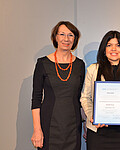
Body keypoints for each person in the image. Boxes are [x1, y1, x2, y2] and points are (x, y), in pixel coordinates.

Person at [80, 31, 120, 150]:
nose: (114, 48)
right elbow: (85, 97)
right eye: (109, 45)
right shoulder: (93, 70)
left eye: (118, 45)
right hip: (98, 130)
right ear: (104, 49)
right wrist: (92, 116)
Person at [31, 21, 85, 150]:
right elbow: (36, 100)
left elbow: (79, 98)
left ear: (75, 39)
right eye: (62, 34)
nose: (66, 39)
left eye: (70, 35)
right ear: (56, 37)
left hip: (73, 126)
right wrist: (37, 130)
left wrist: (85, 125)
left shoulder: (80, 65)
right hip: (49, 125)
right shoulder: (42, 63)